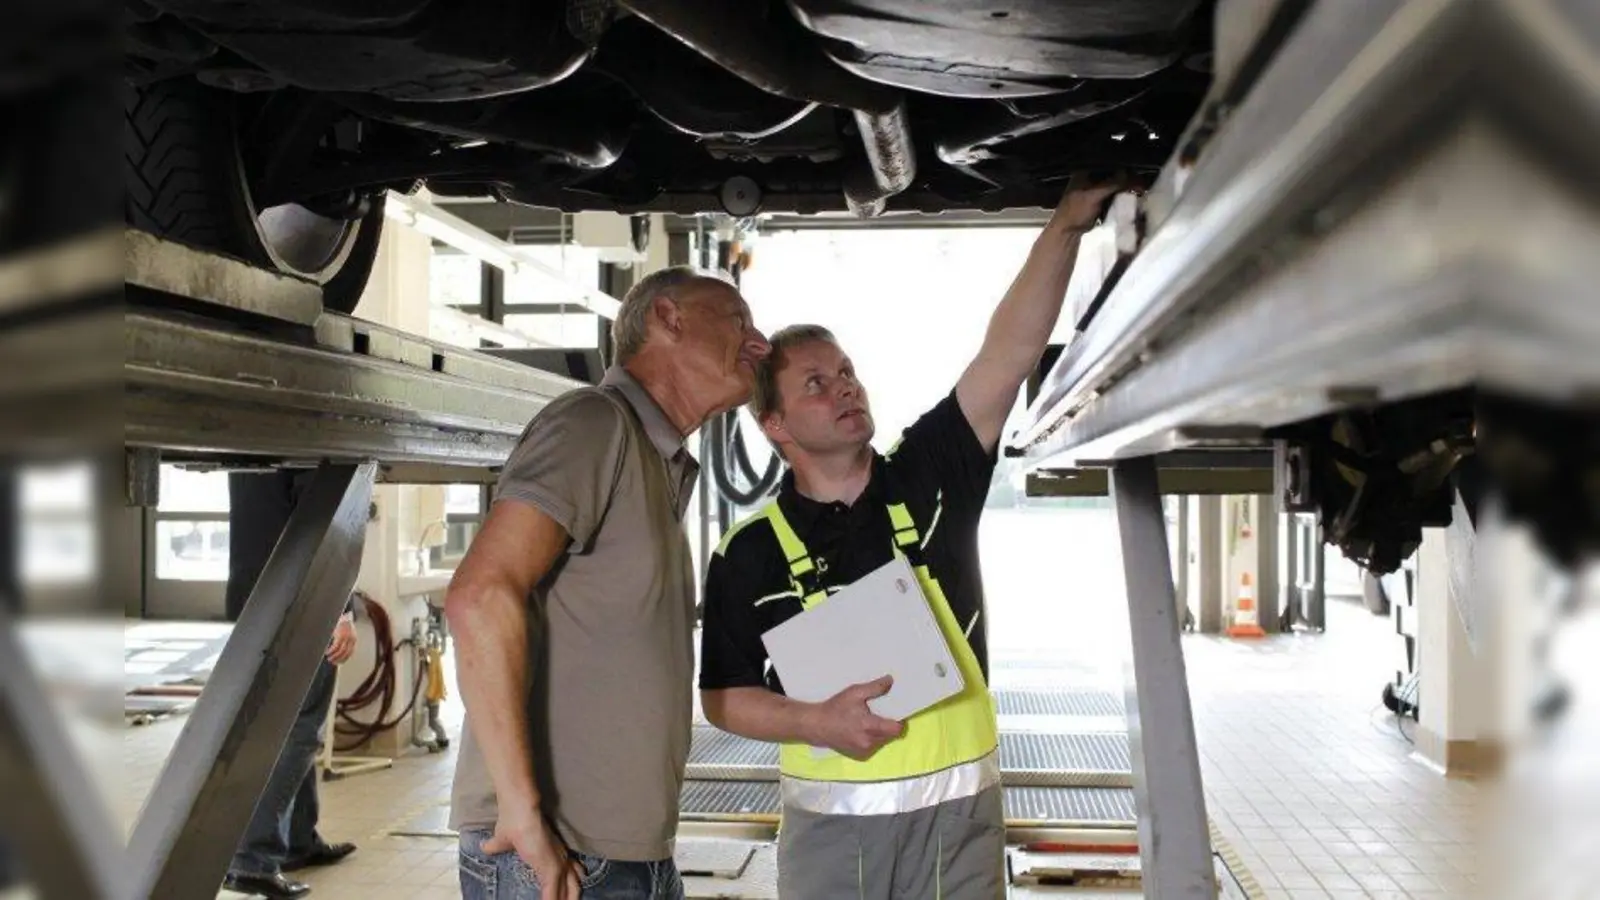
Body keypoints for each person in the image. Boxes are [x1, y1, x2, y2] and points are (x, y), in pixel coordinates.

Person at [697, 175, 1122, 899]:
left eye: (847, 372)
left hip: (959, 825)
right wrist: (814, 722)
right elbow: (724, 697)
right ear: (774, 426)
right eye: (815, 384)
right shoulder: (748, 552)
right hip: (830, 839)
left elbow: (1007, 355)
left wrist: (1067, 226)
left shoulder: (929, 476)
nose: (845, 387)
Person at [445, 266, 770, 900]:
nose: (758, 343)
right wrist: (521, 814)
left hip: (629, 854)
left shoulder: (656, 457)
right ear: (668, 318)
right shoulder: (595, 423)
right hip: (560, 853)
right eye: (738, 321)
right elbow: (479, 596)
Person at [222, 471, 361, 899]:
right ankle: (253, 860)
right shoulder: (315, 450)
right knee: (298, 729)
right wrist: (341, 609)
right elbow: (323, 528)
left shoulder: (256, 443)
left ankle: (299, 839)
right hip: (302, 602)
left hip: (253, 597)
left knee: (287, 722)